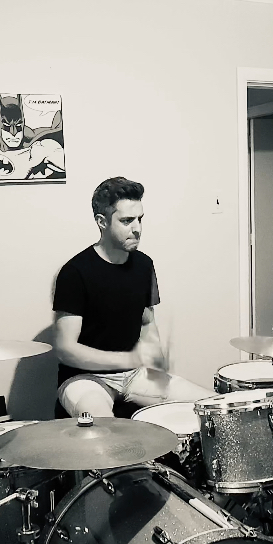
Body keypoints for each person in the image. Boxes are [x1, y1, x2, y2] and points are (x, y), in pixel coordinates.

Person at [52, 176, 213, 418]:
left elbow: (147, 322)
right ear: (102, 222)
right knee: (106, 428)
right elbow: (66, 349)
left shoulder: (144, 265)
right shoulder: (74, 272)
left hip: (134, 374)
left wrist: (155, 363)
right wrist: (126, 359)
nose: (137, 228)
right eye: (127, 221)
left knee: (214, 406)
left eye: (140, 219)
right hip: (84, 378)